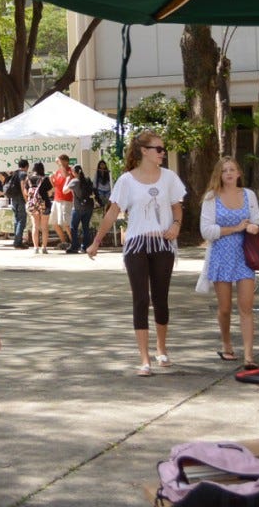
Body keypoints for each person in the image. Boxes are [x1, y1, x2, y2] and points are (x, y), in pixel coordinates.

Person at [87, 130, 186, 377]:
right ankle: (144, 359)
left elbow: (177, 207)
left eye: (163, 149)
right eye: (159, 149)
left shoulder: (169, 178)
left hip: (162, 244)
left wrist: (176, 225)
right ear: (144, 151)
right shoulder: (126, 181)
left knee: (160, 298)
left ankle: (161, 348)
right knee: (141, 299)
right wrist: (96, 241)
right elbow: (112, 212)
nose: (163, 153)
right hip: (136, 245)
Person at [197, 156, 259, 370]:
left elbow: (257, 221)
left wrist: (253, 227)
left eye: (232, 169)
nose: (228, 173)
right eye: (224, 170)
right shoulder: (211, 198)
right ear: (219, 174)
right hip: (221, 255)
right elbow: (206, 231)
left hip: (245, 255)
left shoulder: (248, 195)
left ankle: (249, 356)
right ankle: (226, 344)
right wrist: (234, 228)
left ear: (238, 173)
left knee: (247, 306)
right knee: (225, 308)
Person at [63, 164, 96, 254]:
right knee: (86, 227)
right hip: (89, 207)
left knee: (74, 227)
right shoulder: (87, 180)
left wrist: (67, 180)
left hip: (78, 208)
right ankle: (85, 247)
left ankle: (74, 246)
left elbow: (64, 191)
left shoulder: (74, 181)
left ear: (74, 172)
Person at [26, 162, 53, 254]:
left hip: (33, 205)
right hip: (44, 204)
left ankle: (35, 247)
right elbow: (50, 192)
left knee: (35, 226)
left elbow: (26, 192)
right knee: (44, 227)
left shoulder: (29, 179)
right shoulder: (45, 179)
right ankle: (44, 248)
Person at [50, 155, 74, 249]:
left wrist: (62, 166)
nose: (57, 163)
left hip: (66, 200)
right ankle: (64, 242)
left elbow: (67, 177)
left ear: (65, 161)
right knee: (54, 222)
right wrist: (51, 179)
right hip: (57, 199)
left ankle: (74, 242)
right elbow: (55, 185)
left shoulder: (70, 170)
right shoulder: (58, 172)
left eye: (59, 161)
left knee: (66, 223)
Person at [7, 160, 30, 249]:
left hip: (13, 199)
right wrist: (26, 200)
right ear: (26, 166)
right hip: (20, 199)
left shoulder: (15, 173)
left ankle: (16, 240)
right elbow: (23, 187)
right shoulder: (23, 174)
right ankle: (18, 242)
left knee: (17, 219)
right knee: (21, 220)